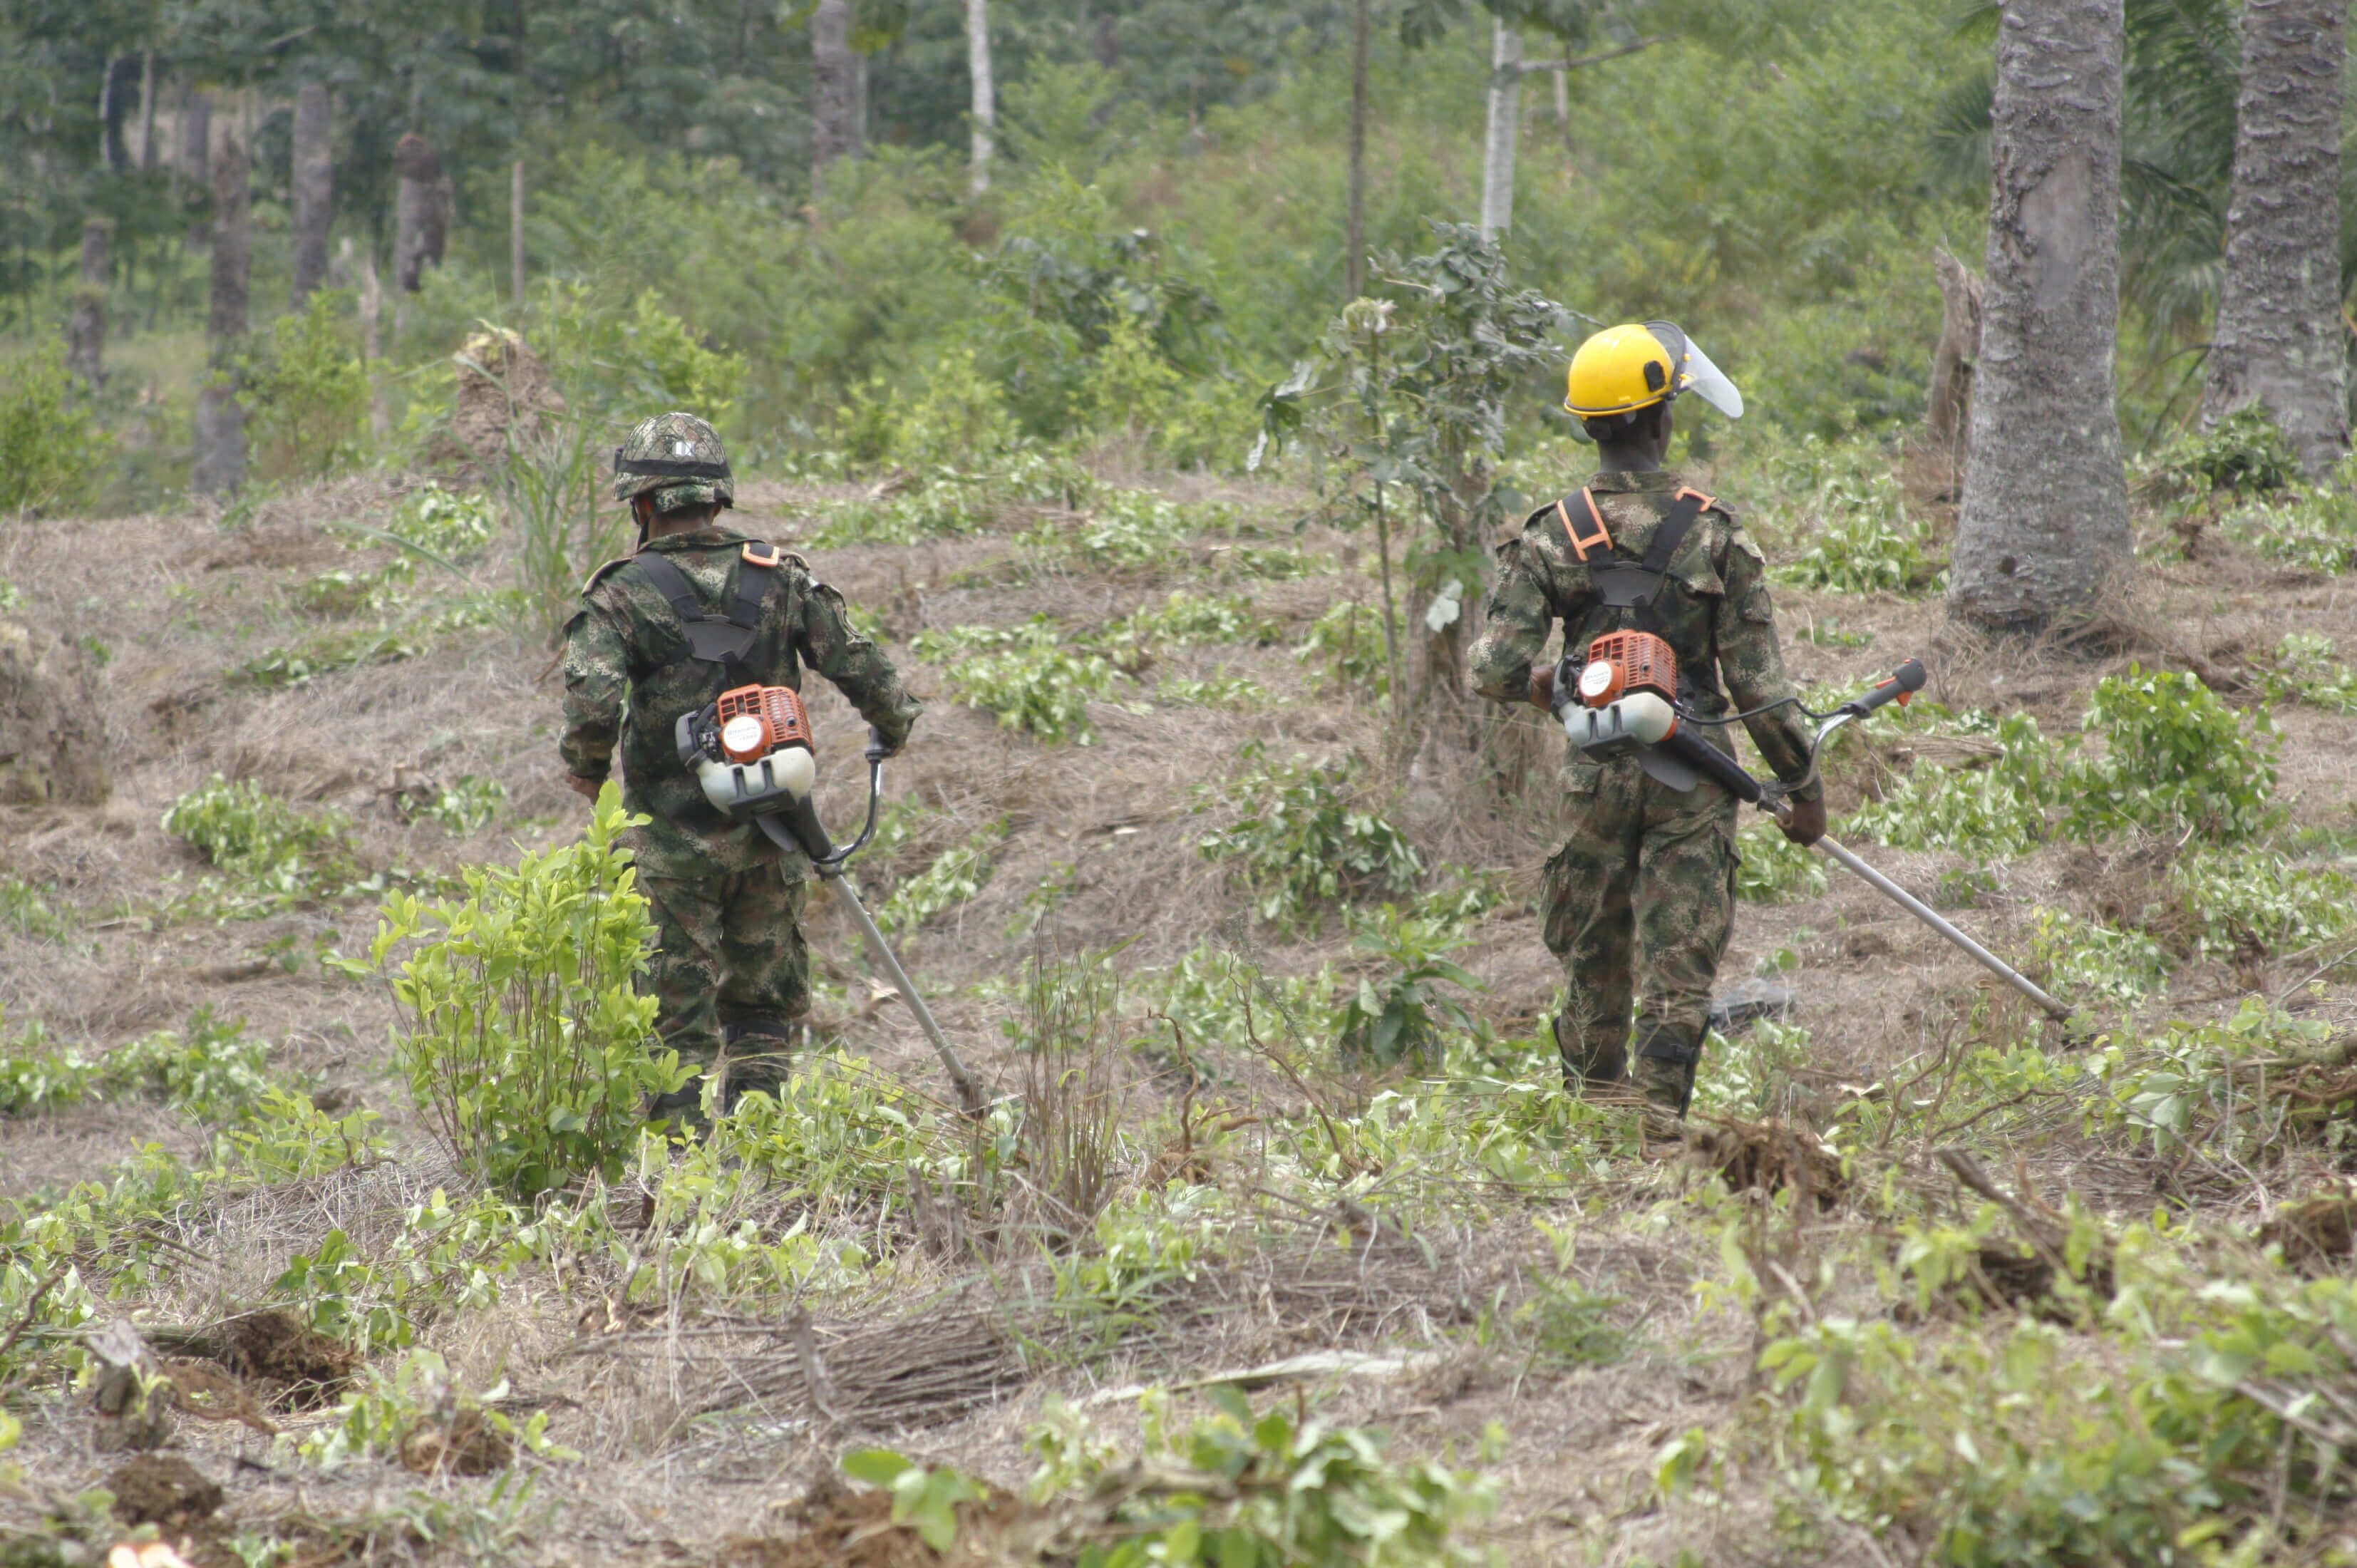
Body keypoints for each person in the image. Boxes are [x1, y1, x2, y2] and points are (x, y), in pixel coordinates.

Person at [1468, 323, 1825, 1119]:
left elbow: (1490, 667)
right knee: (1678, 962)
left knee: (1593, 955)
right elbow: (1761, 691)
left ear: (1588, 424)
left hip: (1591, 771)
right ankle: (1658, 1129)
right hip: (1695, 776)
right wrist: (1803, 791)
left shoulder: (1549, 532)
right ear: (1662, 417)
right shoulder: (1714, 532)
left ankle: (1596, 1116)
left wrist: (1560, 689)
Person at [561, 411, 922, 1122]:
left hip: (670, 854)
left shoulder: (619, 595)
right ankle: (762, 1156)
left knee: (675, 1024)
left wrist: (587, 769)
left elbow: (593, 703)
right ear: (717, 496)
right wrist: (892, 725)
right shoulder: (779, 578)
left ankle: (684, 1181)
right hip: (773, 837)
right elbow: (863, 666)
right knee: (761, 1015)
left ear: (640, 505)